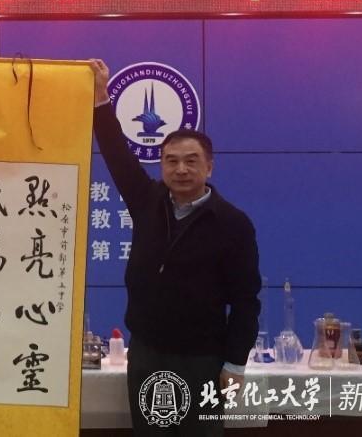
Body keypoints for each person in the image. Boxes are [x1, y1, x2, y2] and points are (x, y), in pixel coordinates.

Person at [89, 59, 260, 436]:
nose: (181, 169)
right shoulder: (147, 201)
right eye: (172, 161)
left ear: (209, 167)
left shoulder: (233, 223)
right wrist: (101, 99)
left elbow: (246, 301)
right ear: (162, 166)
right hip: (147, 355)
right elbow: (117, 156)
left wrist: (235, 364)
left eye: (191, 161)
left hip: (203, 360)